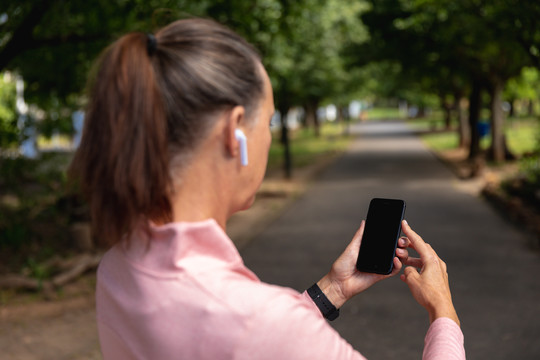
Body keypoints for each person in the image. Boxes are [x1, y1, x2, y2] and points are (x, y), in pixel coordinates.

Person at [70, 18, 465, 359]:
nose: (270, 139)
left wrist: (334, 288)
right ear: (235, 131)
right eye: (270, 123)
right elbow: (259, 332)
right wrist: (443, 311)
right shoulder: (260, 322)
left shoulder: (119, 267)